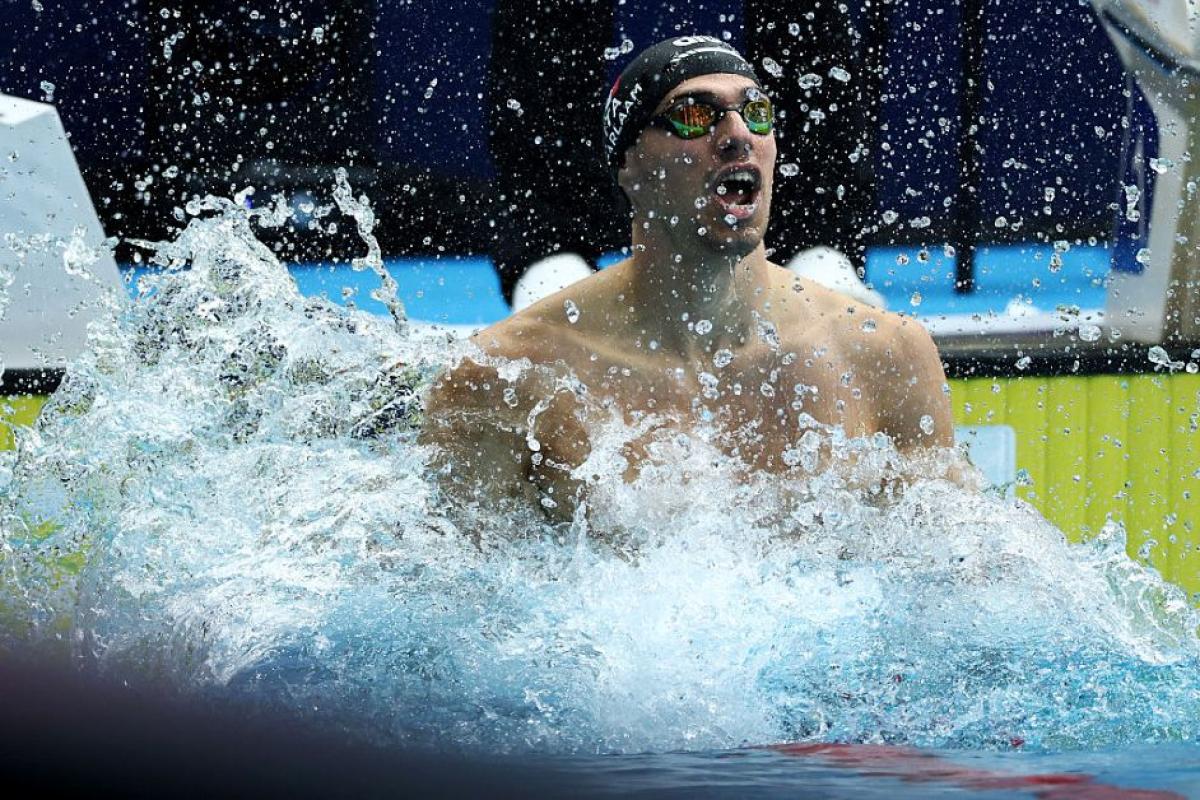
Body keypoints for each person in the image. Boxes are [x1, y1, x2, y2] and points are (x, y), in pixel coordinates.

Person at [422, 37, 953, 524]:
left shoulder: (884, 354)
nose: (737, 135)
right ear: (627, 163)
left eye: (756, 113)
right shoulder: (512, 375)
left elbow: (951, 580)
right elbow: (450, 601)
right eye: (695, 115)